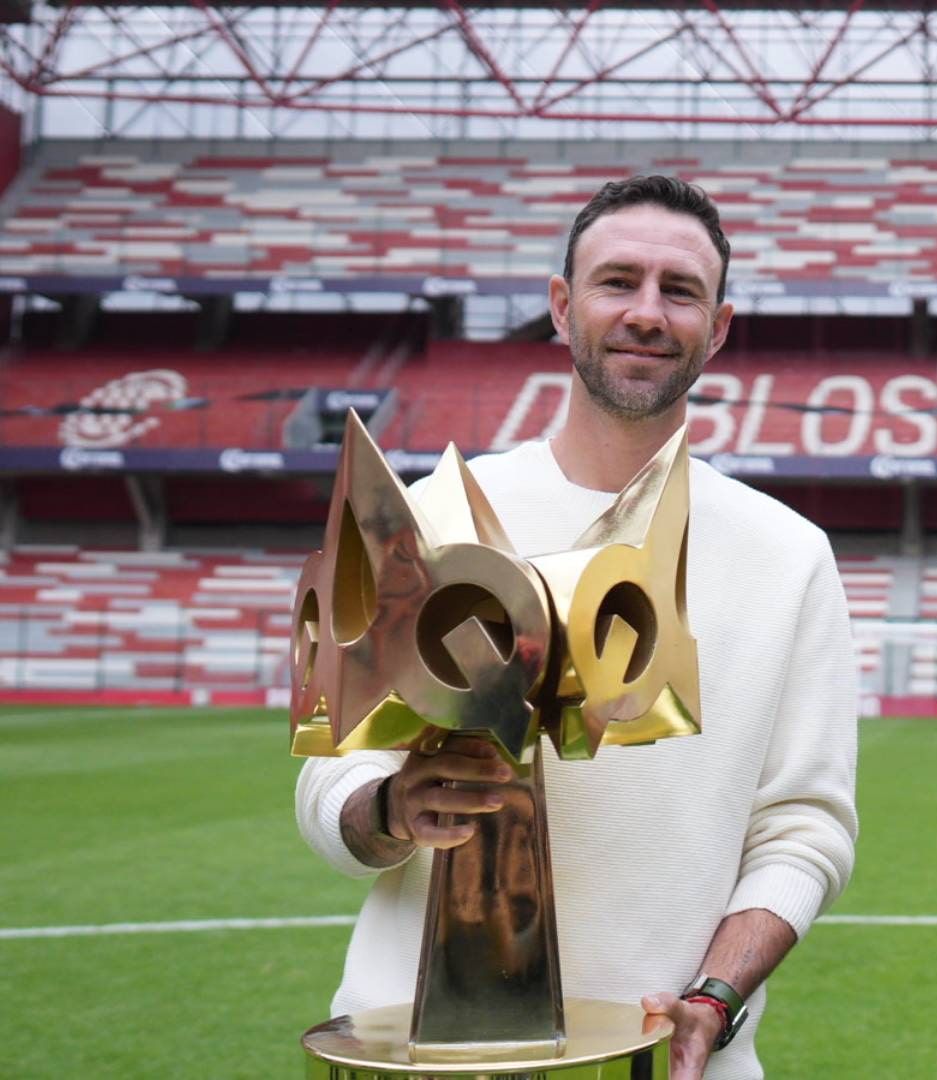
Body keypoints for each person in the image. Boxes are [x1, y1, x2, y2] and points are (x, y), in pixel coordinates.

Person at [295, 175, 859, 1080]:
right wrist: (393, 809)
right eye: (617, 281)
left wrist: (714, 998)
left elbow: (806, 829)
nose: (646, 312)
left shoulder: (789, 553)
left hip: (669, 1053)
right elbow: (332, 781)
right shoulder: (429, 515)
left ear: (717, 328)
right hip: (419, 1044)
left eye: (679, 291)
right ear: (562, 307)